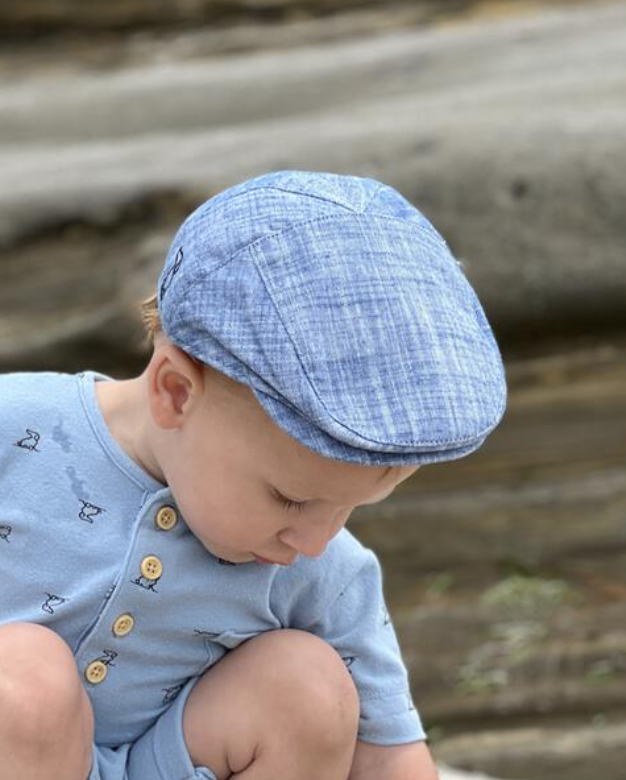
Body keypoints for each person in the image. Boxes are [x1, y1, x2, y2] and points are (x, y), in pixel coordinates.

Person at [0, 170, 507, 780]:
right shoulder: (19, 429)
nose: (315, 542)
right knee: (23, 682)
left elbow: (392, 762)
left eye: (347, 510)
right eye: (291, 499)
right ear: (176, 392)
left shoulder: (325, 571)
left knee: (309, 690)